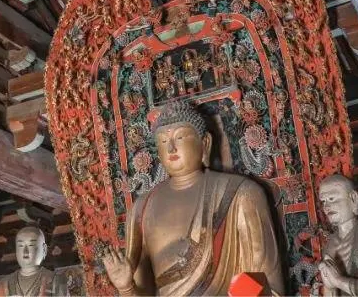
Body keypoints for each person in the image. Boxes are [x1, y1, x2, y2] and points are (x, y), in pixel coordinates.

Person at [101, 100, 284, 296]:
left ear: (205, 143)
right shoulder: (142, 208)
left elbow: (265, 281)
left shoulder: (240, 193)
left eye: (180, 137)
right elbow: (144, 291)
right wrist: (126, 288)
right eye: (163, 141)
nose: (171, 148)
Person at [0, 226, 62, 296]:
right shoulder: (3, 284)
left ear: (44, 249)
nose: (25, 251)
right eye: (20, 245)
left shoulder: (55, 280)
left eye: (31, 245)